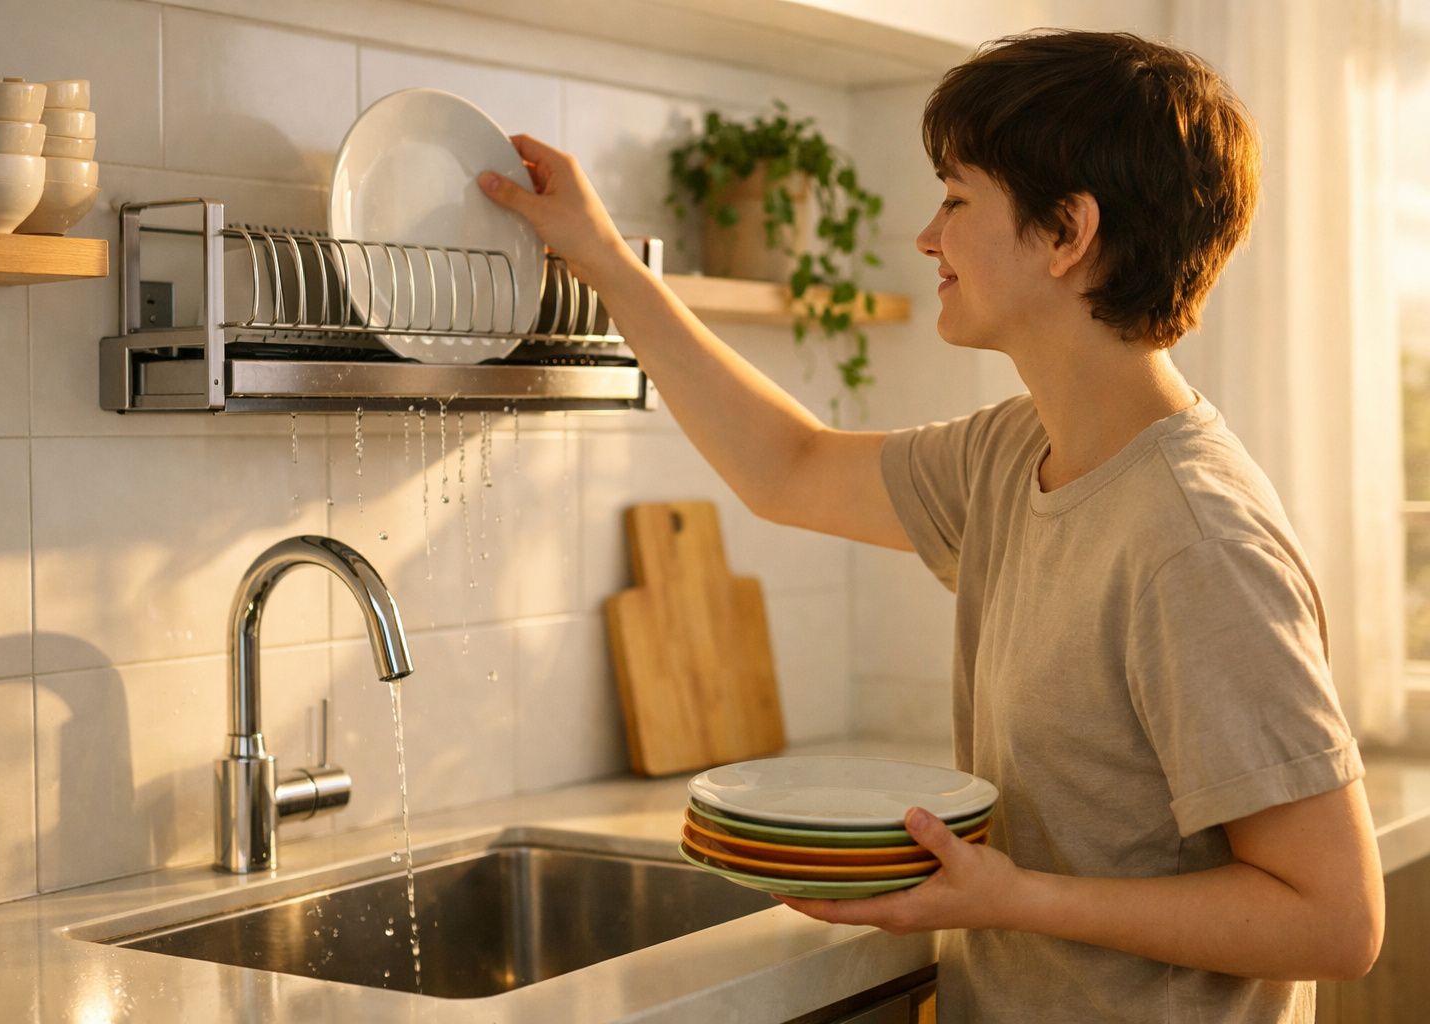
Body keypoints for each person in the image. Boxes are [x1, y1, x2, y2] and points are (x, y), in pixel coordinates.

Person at [477, 28, 1384, 1024]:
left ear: (1066, 233)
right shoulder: (1014, 453)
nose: (926, 236)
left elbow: (1334, 918)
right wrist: (606, 260)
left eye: (956, 200)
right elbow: (789, 468)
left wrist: (1012, 897)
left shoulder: (1195, 540)